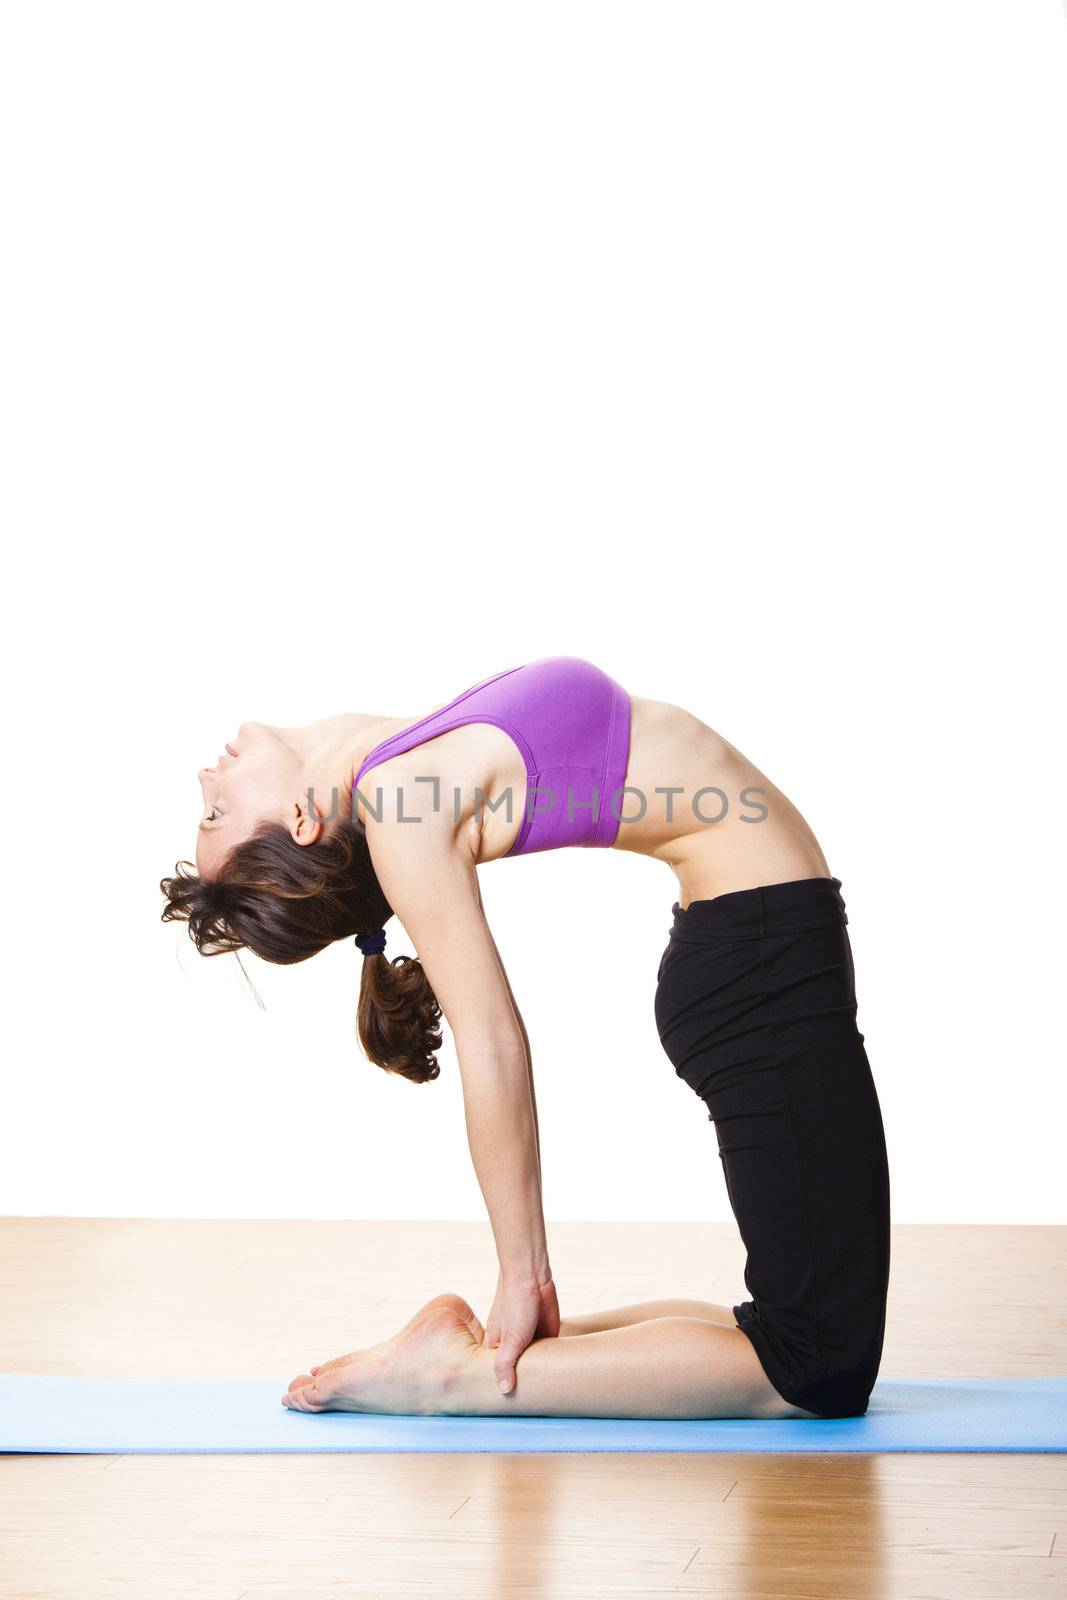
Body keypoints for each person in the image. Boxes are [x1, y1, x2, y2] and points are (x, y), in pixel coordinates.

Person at [161, 656, 890, 1422]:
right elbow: (491, 1041)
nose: (206, 785)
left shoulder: (399, 763)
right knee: (816, 1368)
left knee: (803, 1337)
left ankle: (472, 1354)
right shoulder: (402, 802)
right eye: (215, 817)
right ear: (302, 821)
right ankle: (454, 1379)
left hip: (765, 954)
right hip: (762, 972)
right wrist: (523, 1270)